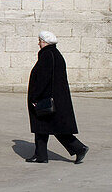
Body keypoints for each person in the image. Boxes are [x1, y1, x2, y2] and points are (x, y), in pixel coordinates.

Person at [26, 31, 88, 164]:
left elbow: (43, 79)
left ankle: (78, 148)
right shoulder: (54, 54)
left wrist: (35, 98)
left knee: (52, 127)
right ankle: (41, 155)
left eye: (40, 41)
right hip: (54, 98)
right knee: (43, 127)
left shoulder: (47, 55)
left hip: (46, 98)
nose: (39, 43)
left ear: (45, 42)